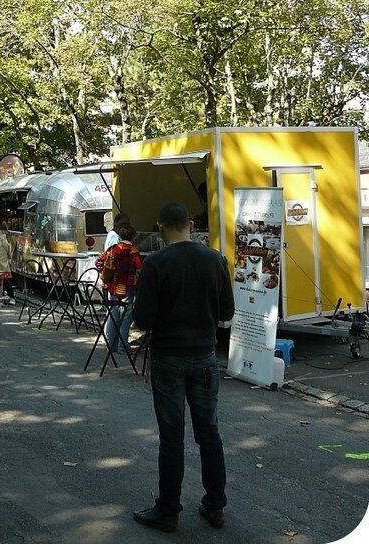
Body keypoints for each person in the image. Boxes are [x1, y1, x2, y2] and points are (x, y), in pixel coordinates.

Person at [132, 202, 235, 534]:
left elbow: (142, 318)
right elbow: (227, 310)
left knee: (172, 438)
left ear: (161, 228)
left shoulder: (156, 263)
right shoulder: (215, 259)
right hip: (205, 356)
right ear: (190, 225)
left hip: (168, 358)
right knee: (210, 433)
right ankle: (216, 505)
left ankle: (168, 511)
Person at [99, 224, 141, 354]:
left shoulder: (113, 249)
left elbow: (99, 261)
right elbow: (139, 267)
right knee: (126, 317)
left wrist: (107, 274)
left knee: (113, 315)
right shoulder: (133, 252)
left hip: (113, 286)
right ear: (133, 237)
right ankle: (123, 346)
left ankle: (111, 345)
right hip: (128, 287)